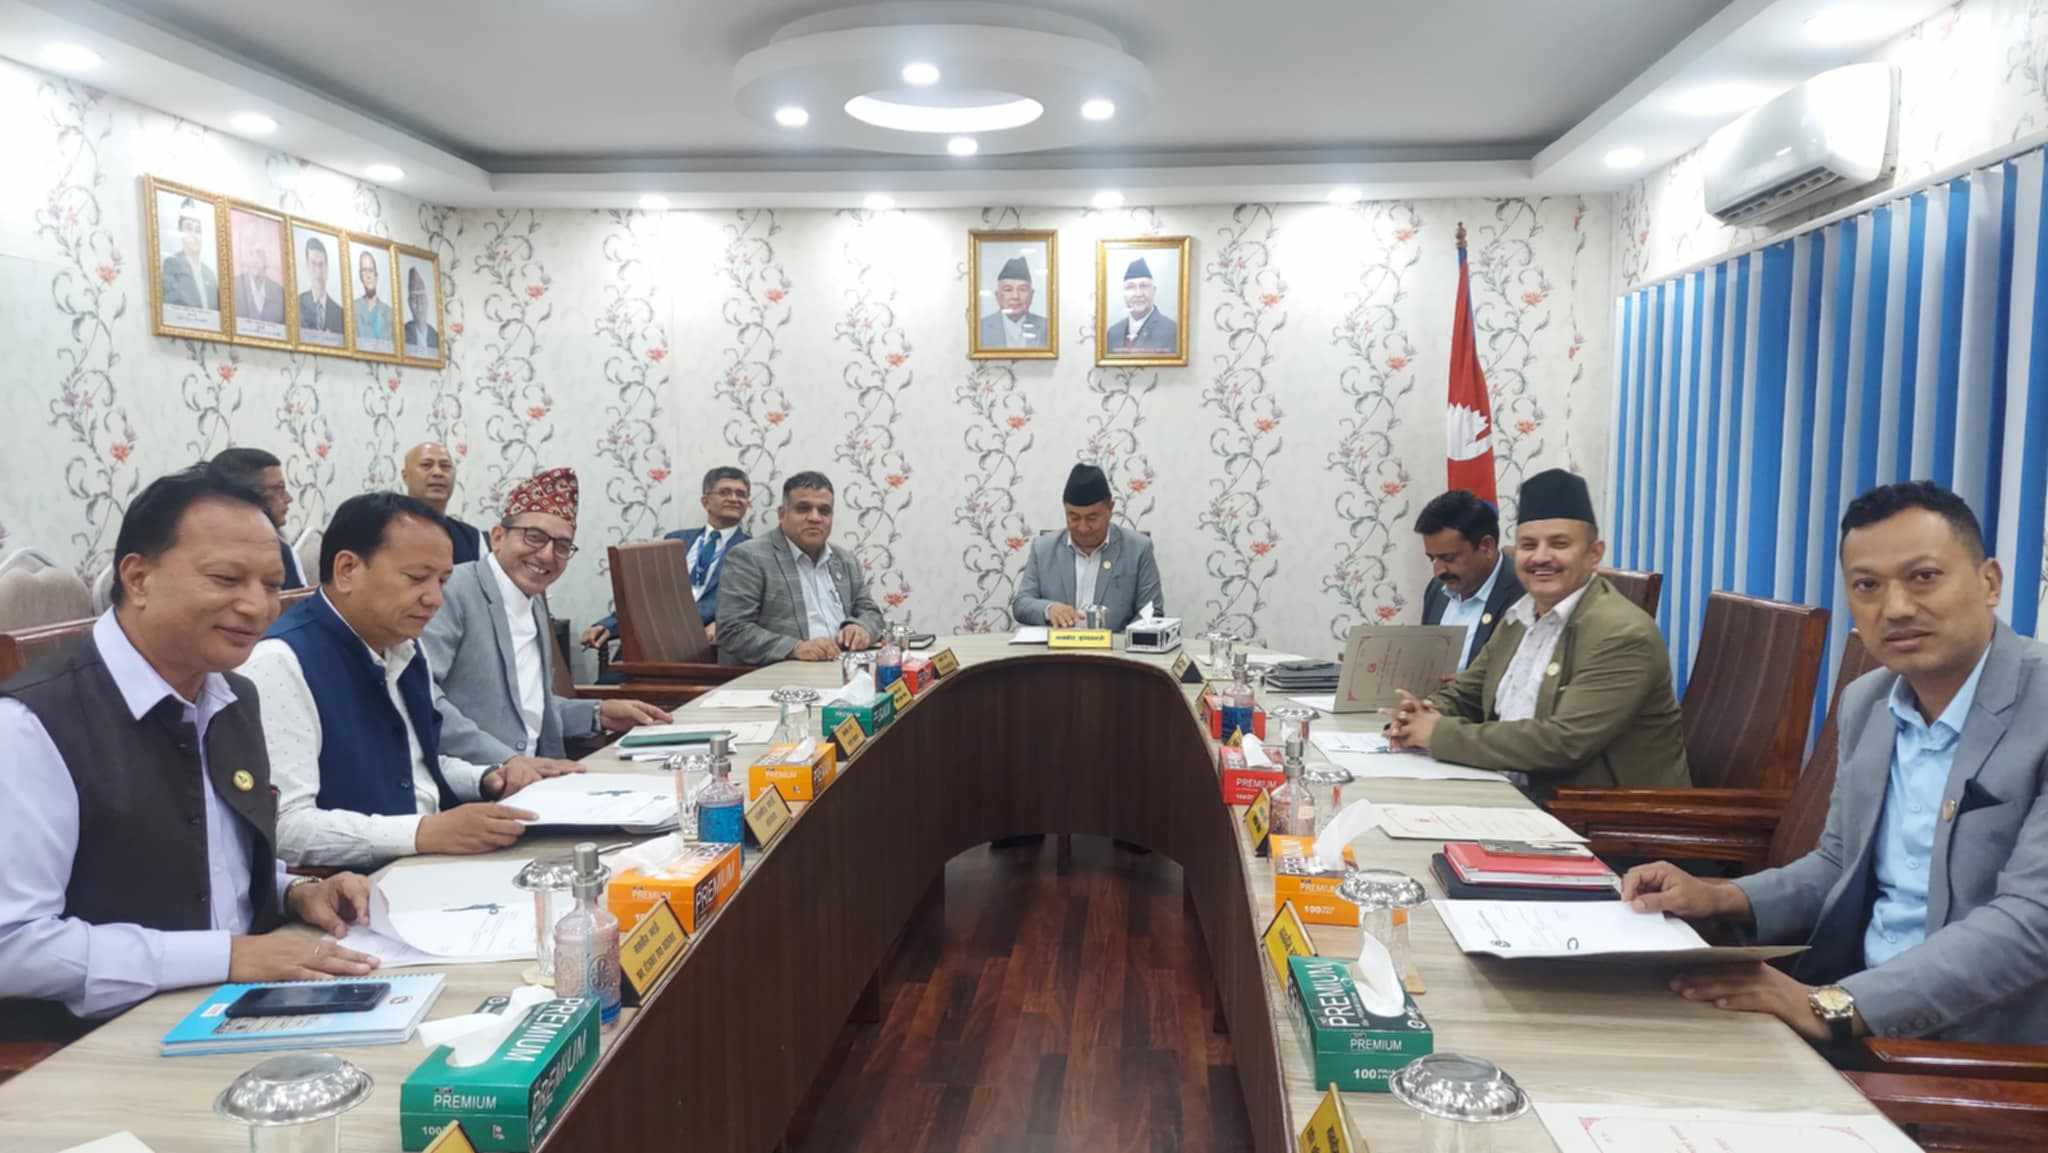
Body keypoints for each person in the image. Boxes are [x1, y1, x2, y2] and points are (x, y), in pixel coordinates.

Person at [1624, 482, 2048, 1045]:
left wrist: (1833, 1005)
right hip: (1851, 1009)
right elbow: (1838, 864)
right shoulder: (1868, 702)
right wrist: (1718, 896)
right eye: (1867, 586)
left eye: (1924, 576)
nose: (1896, 608)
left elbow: (2032, 922)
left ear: (1990, 582)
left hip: (1979, 1049)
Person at [0, 465, 377, 1031]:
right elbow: (12, 944)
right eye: (226, 579)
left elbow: (213, 872)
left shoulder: (233, 697)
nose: (257, 607)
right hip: (98, 1042)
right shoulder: (31, 725)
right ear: (138, 578)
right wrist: (226, 956)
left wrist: (297, 892)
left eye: (271, 585)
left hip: (238, 1007)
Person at [239, 492, 552, 868]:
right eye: (417, 578)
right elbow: (286, 828)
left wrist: (486, 778)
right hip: (355, 886)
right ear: (347, 570)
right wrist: (423, 832)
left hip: (427, 863)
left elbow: (411, 763)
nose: (435, 599)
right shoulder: (280, 663)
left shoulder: (404, 647)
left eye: (443, 581)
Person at [1386, 468, 1689, 797]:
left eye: (1559, 544)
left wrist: (1438, 733)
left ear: (1594, 554)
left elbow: (1562, 743)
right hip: (1511, 793)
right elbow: (1467, 693)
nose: (1541, 557)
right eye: (1528, 545)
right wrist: (1418, 714)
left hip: (1596, 816)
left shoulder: (1623, 634)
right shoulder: (1521, 616)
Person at [424, 467, 670, 767]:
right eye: (534, 537)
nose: (547, 555)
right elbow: (423, 699)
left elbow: (525, 711)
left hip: (540, 776)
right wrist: (507, 761)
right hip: (473, 782)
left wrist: (599, 713)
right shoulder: (453, 590)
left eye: (562, 546)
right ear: (498, 537)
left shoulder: (534, 602)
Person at [715, 471, 885, 666]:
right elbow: (731, 630)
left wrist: (862, 628)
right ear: (782, 514)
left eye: (824, 511)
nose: (815, 518)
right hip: (783, 675)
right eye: (803, 509)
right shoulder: (749, 557)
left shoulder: (846, 560)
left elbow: (871, 613)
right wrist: (794, 648)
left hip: (844, 668)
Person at [584, 466, 752, 654]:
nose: (734, 499)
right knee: (618, 669)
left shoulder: (753, 551)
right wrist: (607, 626)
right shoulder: (675, 540)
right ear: (706, 502)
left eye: (741, 494)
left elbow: (754, 606)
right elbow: (645, 595)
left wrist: (721, 624)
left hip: (701, 645)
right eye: (724, 492)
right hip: (649, 636)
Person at [1012, 463, 1164, 631]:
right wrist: (1049, 609)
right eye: (1074, 518)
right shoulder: (1043, 548)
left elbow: (1151, 611)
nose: (1083, 528)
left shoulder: (1138, 548)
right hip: (1058, 646)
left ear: (1110, 509)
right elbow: (1021, 604)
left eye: (1092, 518)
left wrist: (1121, 641)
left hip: (1114, 646)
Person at [1415, 489, 1523, 669]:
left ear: (1486, 547)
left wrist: (1463, 684)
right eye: (1432, 558)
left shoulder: (1523, 593)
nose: (1439, 571)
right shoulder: (1436, 589)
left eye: (1448, 558)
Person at [210, 447, 304, 590]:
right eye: (278, 489)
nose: (288, 498)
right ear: (246, 495)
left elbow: (297, 599)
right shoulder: (203, 546)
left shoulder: (281, 550)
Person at [404, 441, 485, 565]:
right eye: (426, 465)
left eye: (445, 466)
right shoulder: (383, 529)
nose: (438, 472)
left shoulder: (473, 539)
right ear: (405, 476)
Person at [1108, 257, 1178, 353]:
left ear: (1154, 291)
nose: (1138, 294)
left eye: (1144, 286)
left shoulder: (1172, 331)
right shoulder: (1112, 333)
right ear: (1124, 294)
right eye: (1130, 287)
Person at [978, 256, 1048, 349]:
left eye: (1022, 289)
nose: (1015, 296)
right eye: (1008, 289)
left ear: (1031, 295)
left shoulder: (1048, 327)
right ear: (997, 295)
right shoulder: (980, 328)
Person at [160, 205, 218, 312]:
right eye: (189, 228)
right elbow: (171, 306)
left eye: (198, 230)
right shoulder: (172, 265)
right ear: (180, 232)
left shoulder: (210, 274)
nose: (194, 235)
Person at [296, 235, 344, 341]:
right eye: (313, 264)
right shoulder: (296, 305)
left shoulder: (340, 313)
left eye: (321, 264)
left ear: (327, 268)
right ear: (307, 266)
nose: (318, 271)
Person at [233, 229, 285, 326]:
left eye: (259, 253)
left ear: (267, 258)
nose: (255, 260)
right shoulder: (234, 285)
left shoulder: (278, 292)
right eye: (251, 253)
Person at [354, 250, 392, 346]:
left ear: (376, 275)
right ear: (360, 276)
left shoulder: (389, 313)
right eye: (364, 271)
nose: (368, 276)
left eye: (371, 270)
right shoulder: (353, 308)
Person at [402, 266, 439, 356]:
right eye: (414, 298)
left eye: (421, 297)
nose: (419, 304)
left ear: (427, 301)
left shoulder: (436, 336)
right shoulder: (402, 333)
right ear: (409, 303)